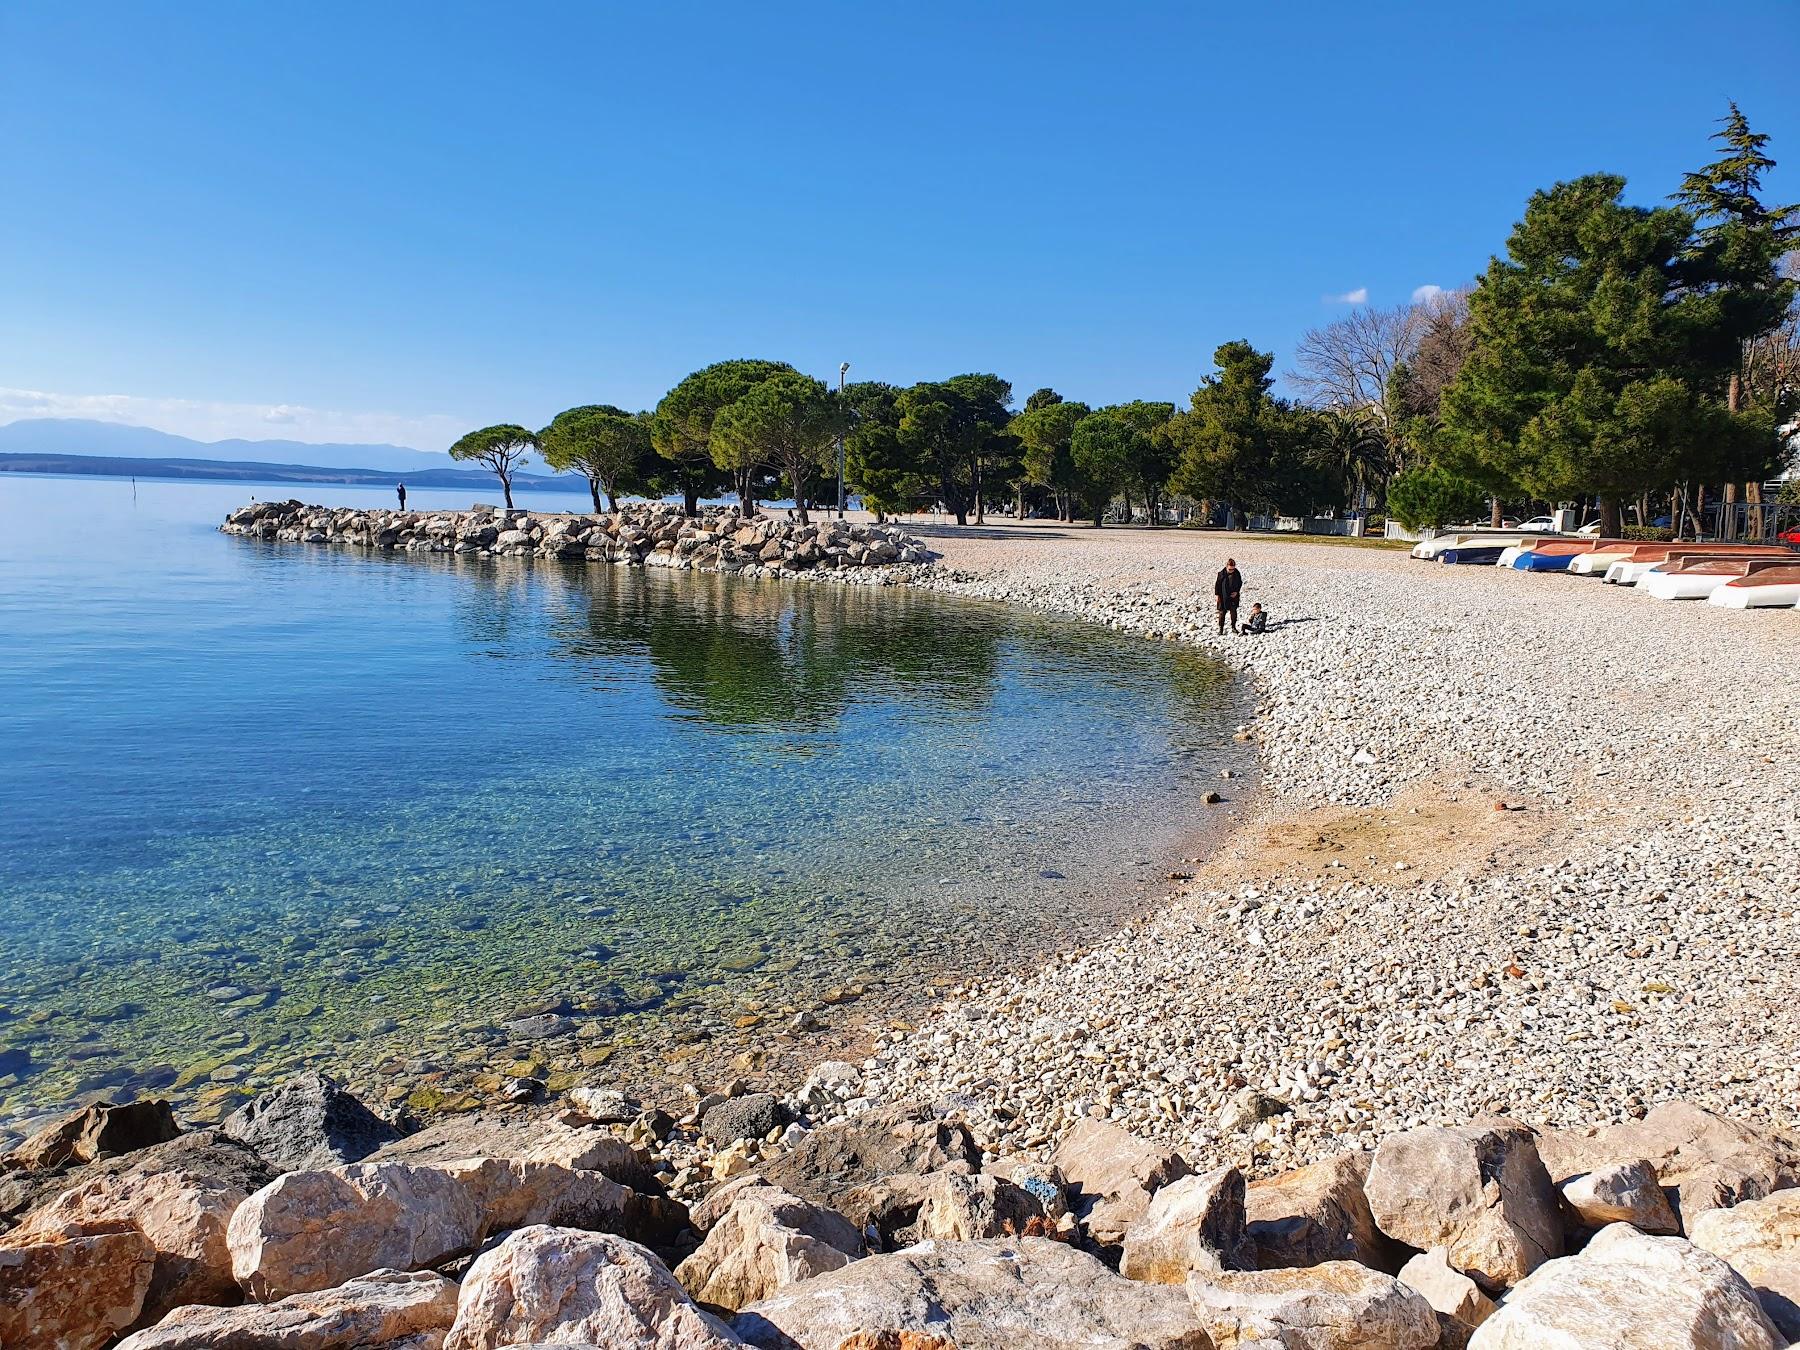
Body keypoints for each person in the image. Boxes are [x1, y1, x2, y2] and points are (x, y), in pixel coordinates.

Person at [1214, 558, 1243, 634]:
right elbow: (1217, 585)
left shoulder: (1237, 573)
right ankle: (1221, 629)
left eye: (1233, 569)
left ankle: (1233, 627)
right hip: (1223, 595)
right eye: (1230, 569)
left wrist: (1236, 592)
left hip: (1233, 595)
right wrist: (1217, 595)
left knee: (1233, 612)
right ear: (1227, 566)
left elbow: (1240, 583)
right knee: (1222, 613)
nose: (1231, 571)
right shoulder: (1221, 574)